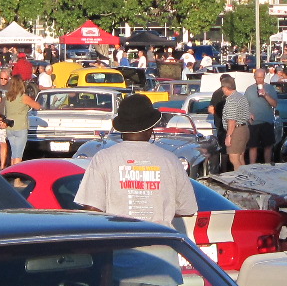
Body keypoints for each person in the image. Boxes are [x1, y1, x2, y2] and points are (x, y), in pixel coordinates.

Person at [73, 95, 197, 229]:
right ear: (151, 126)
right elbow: (187, 209)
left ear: (121, 127)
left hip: (119, 243)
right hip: (160, 242)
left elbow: (92, 208)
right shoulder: (170, 160)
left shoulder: (103, 158)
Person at [0, 69, 39, 166]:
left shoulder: (8, 97)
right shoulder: (23, 97)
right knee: (18, 155)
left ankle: (13, 175)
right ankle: (17, 179)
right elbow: (37, 106)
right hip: (20, 127)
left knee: (14, 154)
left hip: (10, 127)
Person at [244, 67, 279, 164]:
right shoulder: (249, 89)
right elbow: (245, 105)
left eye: (261, 77)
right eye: (257, 77)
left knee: (268, 146)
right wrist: (248, 114)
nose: (259, 80)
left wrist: (265, 95)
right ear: (254, 77)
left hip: (267, 121)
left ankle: (267, 167)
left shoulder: (269, 88)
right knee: (252, 146)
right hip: (253, 123)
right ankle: (252, 167)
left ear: (264, 77)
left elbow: (275, 104)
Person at [220, 75, 253, 169]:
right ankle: (246, 178)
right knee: (240, 157)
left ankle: (240, 180)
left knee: (234, 158)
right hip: (244, 129)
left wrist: (228, 136)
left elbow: (232, 120)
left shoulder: (232, 100)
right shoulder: (241, 97)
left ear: (225, 88)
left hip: (236, 131)